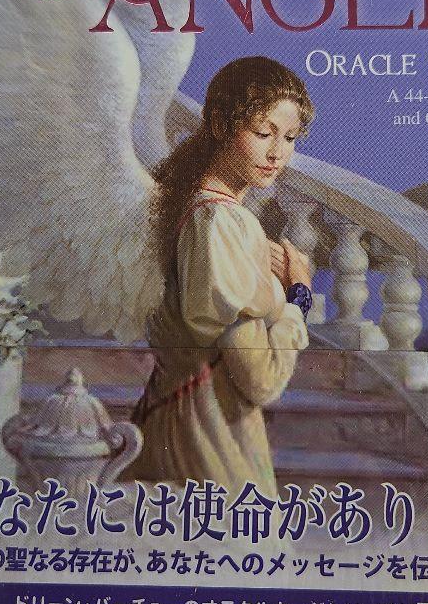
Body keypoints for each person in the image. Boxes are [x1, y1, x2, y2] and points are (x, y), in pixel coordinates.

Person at [119, 55, 315, 499]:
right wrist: (298, 295)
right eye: (263, 133)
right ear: (223, 125)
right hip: (212, 437)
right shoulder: (222, 223)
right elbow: (262, 381)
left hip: (168, 416)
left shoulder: (184, 204)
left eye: (289, 137)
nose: (277, 153)